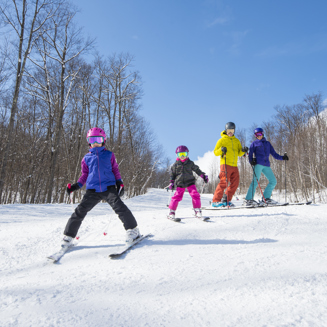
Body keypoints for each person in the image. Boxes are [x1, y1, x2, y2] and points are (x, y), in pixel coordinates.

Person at [61, 127, 140, 248]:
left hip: (108, 188)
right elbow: (84, 175)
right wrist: (77, 186)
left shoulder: (109, 155)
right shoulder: (86, 158)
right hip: (92, 190)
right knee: (80, 211)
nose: (95, 143)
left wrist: (120, 182)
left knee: (119, 207)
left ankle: (133, 230)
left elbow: (115, 170)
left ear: (104, 140)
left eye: (98, 139)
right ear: (89, 142)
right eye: (92, 140)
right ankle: (68, 236)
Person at [244, 127, 289, 206]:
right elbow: (250, 154)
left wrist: (283, 157)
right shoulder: (254, 143)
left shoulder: (268, 144)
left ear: (263, 133)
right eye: (256, 134)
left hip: (266, 165)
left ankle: (266, 198)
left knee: (273, 181)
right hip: (258, 164)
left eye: (260, 134)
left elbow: (274, 154)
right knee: (255, 181)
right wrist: (251, 161)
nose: (258, 136)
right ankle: (248, 200)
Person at [212, 122, 248, 207]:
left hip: (234, 165)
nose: (230, 132)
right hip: (225, 163)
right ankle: (215, 201)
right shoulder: (221, 140)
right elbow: (215, 152)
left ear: (234, 130)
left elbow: (239, 153)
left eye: (232, 130)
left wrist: (243, 150)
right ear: (226, 130)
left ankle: (226, 200)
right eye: (228, 130)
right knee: (224, 182)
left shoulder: (236, 141)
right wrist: (221, 149)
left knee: (235, 183)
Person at [167, 145, 208, 220]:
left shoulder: (190, 163)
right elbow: (172, 175)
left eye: (184, 154)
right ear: (177, 155)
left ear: (187, 154)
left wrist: (203, 175)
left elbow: (197, 170)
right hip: (180, 183)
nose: (182, 156)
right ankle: (171, 212)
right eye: (180, 154)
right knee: (176, 197)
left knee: (195, 195)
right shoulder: (175, 165)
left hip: (190, 182)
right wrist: (171, 182)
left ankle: (197, 210)